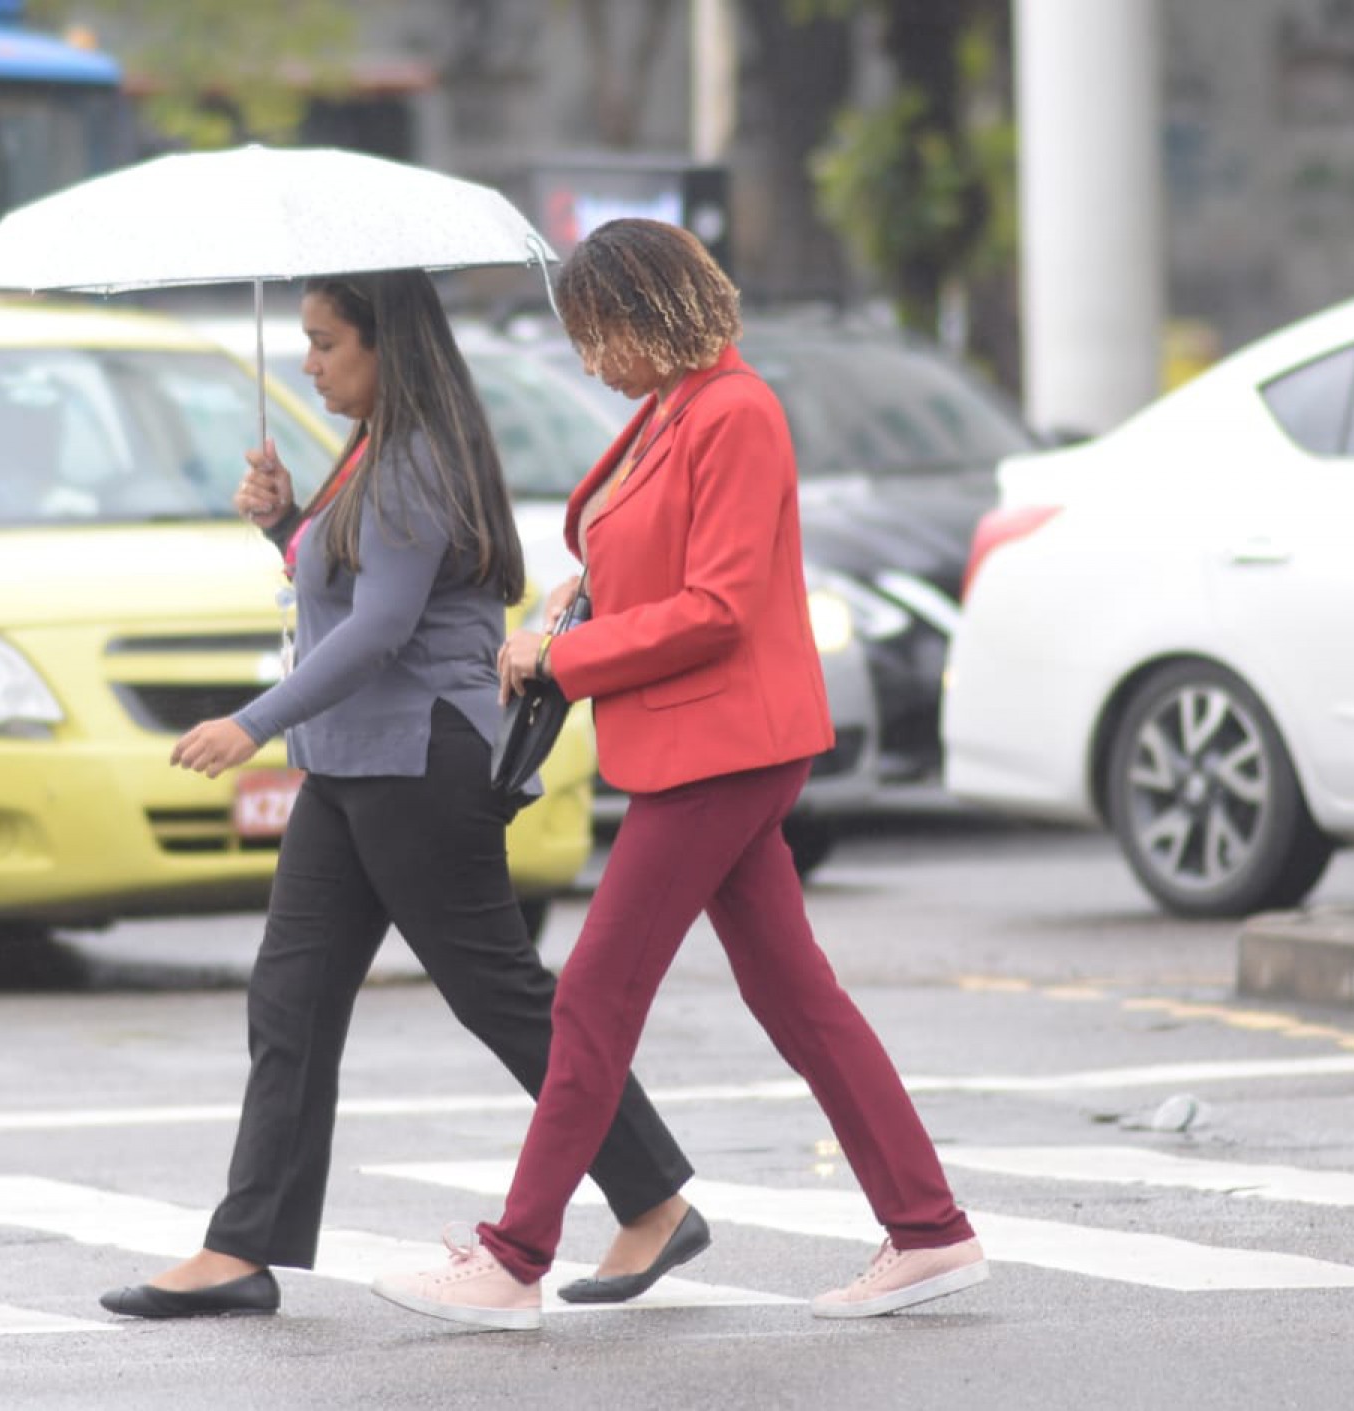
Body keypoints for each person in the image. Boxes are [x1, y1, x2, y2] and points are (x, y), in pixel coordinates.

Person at [372, 220, 987, 1330]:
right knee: (797, 997)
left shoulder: (736, 412)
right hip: (703, 743)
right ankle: (931, 1229)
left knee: (598, 995)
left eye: (597, 335)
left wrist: (563, 655)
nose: (590, 363)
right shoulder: (674, 410)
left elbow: (719, 607)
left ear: (648, 314)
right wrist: (577, 589)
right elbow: (651, 553)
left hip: (725, 745)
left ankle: (513, 1258)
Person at [98, 268, 702, 1321]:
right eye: (307, 340)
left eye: (327, 342)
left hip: (419, 761)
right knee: (291, 999)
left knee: (501, 996)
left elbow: (381, 630)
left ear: (388, 347)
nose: (310, 361)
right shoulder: (374, 448)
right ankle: (242, 1247)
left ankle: (652, 1193)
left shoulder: (419, 457)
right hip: (350, 767)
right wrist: (283, 524)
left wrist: (253, 721)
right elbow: (342, 587)